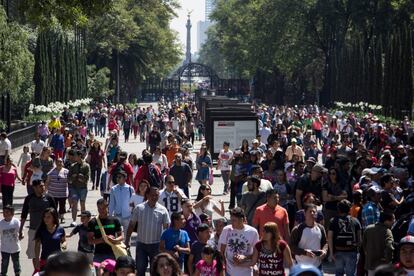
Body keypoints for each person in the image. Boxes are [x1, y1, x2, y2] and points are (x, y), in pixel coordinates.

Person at [125, 186, 170, 275]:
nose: (154, 197)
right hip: (142, 245)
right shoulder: (139, 208)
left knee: (155, 271)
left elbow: (166, 229)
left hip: (156, 246)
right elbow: (131, 225)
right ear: (147, 195)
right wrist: (127, 240)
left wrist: (165, 245)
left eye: (156, 195)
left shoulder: (163, 210)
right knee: (140, 269)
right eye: (152, 195)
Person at [19, 179, 56, 269]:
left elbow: (55, 214)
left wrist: (56, 228)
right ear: (34, 188)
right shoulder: (29, 198)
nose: (43, 188)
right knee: (34, 254)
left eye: (43, 185)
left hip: (47, 230)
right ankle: (37, 270)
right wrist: (20, 230)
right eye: (40, 186)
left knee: (49, 252)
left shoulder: (49, 198)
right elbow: (24, 214)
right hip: (33, 230)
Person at [218, 207, 259, 275]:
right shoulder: (226, 230)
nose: (232, 223)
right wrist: (223, 268)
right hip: (229, 272)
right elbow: (221, 252)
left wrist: (245, 257)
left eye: (234, 220)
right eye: (231, 220)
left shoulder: (253, 232)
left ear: (241, 220)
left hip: (246, 272)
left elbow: (256, 253)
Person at [327, 199, 361, 276]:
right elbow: (360, 239)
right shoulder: (355, 221)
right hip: (351, 251)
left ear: (338, 209)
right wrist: (357, 251)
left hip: (338, 251)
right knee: (350, 274)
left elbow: (330, 238)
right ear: (349, 209)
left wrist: (331, 253)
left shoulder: (333, 221)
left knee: (339, 273)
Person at [290, 204, 328, 268]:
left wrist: (324, 251)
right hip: (301, 266)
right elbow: (292, 247)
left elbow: (325, 243)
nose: (312, 213)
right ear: (305, 213)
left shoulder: (321, 228)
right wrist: (305, 252)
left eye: (314, 212)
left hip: (317, 266)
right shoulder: (297, 229)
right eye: (310, 211)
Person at [88, 198, 123, 263]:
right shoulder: (93, 222)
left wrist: (114, 240)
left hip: (113, 252)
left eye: (103, 208)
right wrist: (102, 239)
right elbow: (90, 241)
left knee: (112, 273)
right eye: (99, 208)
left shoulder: (115, 220)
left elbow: (121, 236)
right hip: (99, 254)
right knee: (99, 272)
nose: (101, 211)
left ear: (107, 207)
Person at [363, 212, 395, 276]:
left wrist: (369, 256)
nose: (394, 221)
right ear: (386, 221)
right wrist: (388, 261)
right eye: (393, 219)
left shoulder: (368, 228)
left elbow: (364, 245)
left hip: (370, 264)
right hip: (382, 266)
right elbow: (389, 247)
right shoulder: (387, 231)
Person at [108, 170, 135, 237]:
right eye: (117, 177)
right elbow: (111, 203)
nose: (118, 179)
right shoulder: (113, 189)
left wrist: (133, 214)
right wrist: (110, 215)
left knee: (127, 235)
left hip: (127, 216)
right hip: (117, 215)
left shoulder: (130, 189)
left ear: (125, 178)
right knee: (117, 235)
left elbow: (133, 202)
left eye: (120, 177)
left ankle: (127, 246)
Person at [68, 150, 90, 227]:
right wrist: (72, 178)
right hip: (74, 188)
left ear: (79, 156)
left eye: (76, 156)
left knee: (82, 203)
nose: (74, 157)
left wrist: (81, 177)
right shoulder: (73, 166)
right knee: (74, 203)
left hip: (83, 188)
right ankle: (74, 220)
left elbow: (87, 178)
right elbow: (69, 178)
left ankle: (84, 220)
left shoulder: (86, 166)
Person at [45, 158, 69, 223]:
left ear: (62, 163)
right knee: (53, 207)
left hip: (63, 193)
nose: (59, 163)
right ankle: (55, 218)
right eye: (58, 162)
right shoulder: (51, 172)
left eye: (61, 162)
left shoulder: (66, 171)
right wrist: (45, 191)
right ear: (55, 163)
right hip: (53, 193)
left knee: (62, 206)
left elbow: (69, 182)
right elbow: (47, 182)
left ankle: (62, 217)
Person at [0, 205, 21, 276]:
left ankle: (17, 273)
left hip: (15, 248)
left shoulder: (16, 222)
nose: (5, 214)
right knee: (4, 263)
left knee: (16, 262)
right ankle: (3, 273)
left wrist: (22, 234)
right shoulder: (1, 223)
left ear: (12, 213)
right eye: (4, 212)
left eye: (7, 212)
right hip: (5, 248)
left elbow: (20, 231)